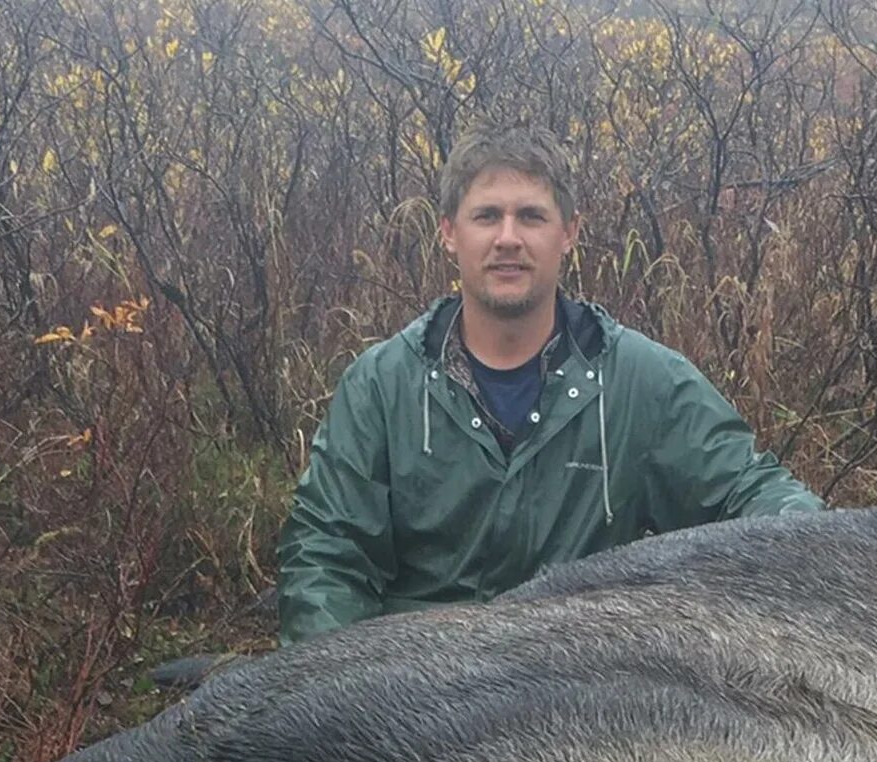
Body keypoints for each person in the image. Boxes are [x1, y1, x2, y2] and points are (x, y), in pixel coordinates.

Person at [276, 127, 820, 645]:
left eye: (531, 217)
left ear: (569, 233)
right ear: (449, 232)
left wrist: (837, 550)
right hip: (419, 695)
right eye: (487, 216)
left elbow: (749, 494)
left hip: (581, 686)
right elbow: (326, 554)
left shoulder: (642, 381)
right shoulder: (381, 385)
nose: (507, 239)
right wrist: (339, 691)